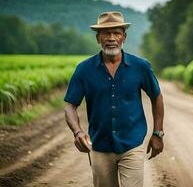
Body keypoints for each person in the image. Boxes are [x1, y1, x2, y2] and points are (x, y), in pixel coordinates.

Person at [63, 11, 164, 187]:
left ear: (123, 37)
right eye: (106, 33)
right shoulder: (84, 70)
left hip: (132, 144)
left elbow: (156, 97)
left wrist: (158, 133)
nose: (111, 38)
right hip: (100, 145)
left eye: (116, 33)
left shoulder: (140, 66)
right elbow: (70, 106)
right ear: (98, 38)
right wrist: (77, 132)